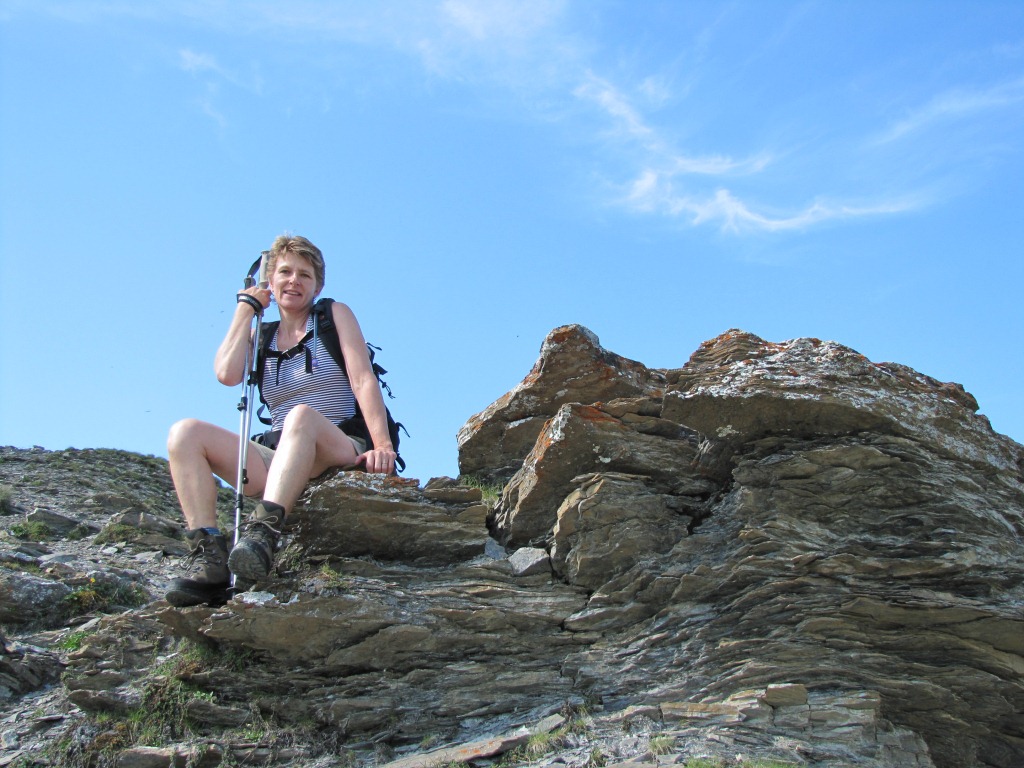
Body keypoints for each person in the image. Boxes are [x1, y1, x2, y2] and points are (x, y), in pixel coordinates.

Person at [164, 235, 397, 607]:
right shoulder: (262, 335)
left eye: (305, 275)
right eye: (285, 272)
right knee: (185, 433)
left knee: (300, 416)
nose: (294, 281)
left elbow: (362, 379)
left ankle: (263, 534)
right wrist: (245, 309)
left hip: (337, 443)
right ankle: (208, 559)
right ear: (269, 282)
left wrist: (382, 445)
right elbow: (226, 373)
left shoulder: (334, 315)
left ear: (317, 286)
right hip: (282, 452)